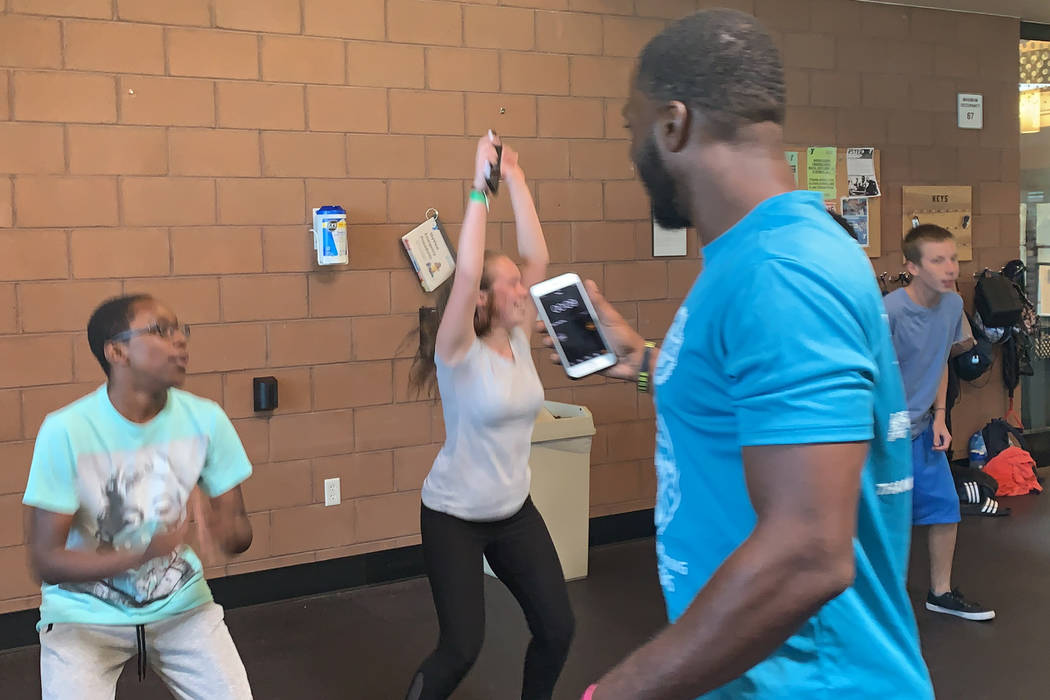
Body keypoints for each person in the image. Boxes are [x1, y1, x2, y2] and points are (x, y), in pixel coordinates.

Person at [542, 10, 932, 699]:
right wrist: (642, 360)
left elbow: (807, 554)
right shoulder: (761, 258)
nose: (632, 150)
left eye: (631, 125)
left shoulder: (782, 269)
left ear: (673, 124)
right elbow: (753, 403)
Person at [405, 133, 572, 700]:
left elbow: (539, 256)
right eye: (511, 282)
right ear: (480, 296)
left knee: (558, 628)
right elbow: (470, 263)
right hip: (454, 515)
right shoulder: (457, 351)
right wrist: (479, 189)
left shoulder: (520, 338)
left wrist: (517, 180)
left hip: (513, 511)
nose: (524, 287)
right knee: (461, 649)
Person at [23, 295, 254, 699]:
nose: (180, 340)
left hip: (181, 604)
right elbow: (47, 562)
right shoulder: (66, 430)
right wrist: (142, 553)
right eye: (161, 330)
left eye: (181, 330)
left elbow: (238, 535)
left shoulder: (206, 419)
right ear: (117, 352)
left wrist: (226, 529)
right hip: (84, 616)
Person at [884, 224, 995, 621]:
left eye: (953, 258)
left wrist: (940, 417)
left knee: (945, 508)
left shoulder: (951, 306)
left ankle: (940, 592)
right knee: (887, 518)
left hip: (922, 428)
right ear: (911, 267)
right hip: (882, 431)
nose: (950, 268)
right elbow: (870, 375)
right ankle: (884, 601)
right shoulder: (891, 311)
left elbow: (939, 362)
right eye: (938, 260)